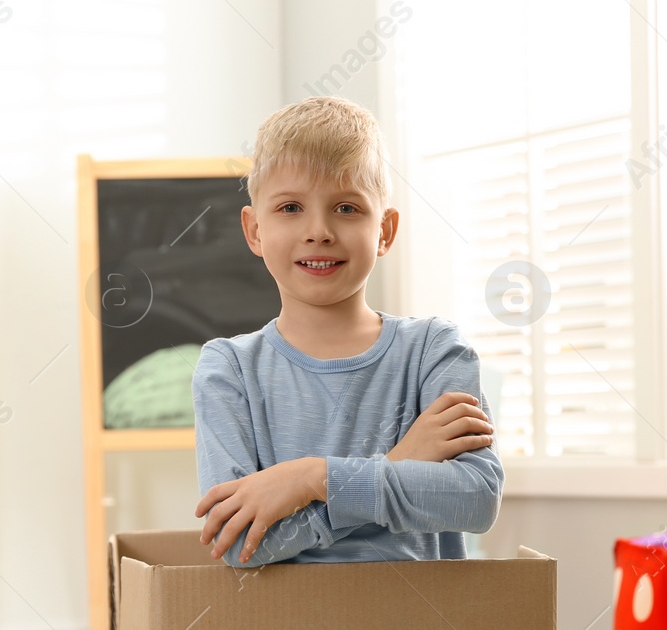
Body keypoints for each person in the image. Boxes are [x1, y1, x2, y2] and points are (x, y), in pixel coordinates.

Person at [192, 95, 502, 567]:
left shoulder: (435, 351)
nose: (318, 231)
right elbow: (239, 544)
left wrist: (310, 479)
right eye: (291, 207)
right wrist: (397, 465)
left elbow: (474, 500)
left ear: (385, 231)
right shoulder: (229, 369)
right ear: (254, 231)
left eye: (347, 208)